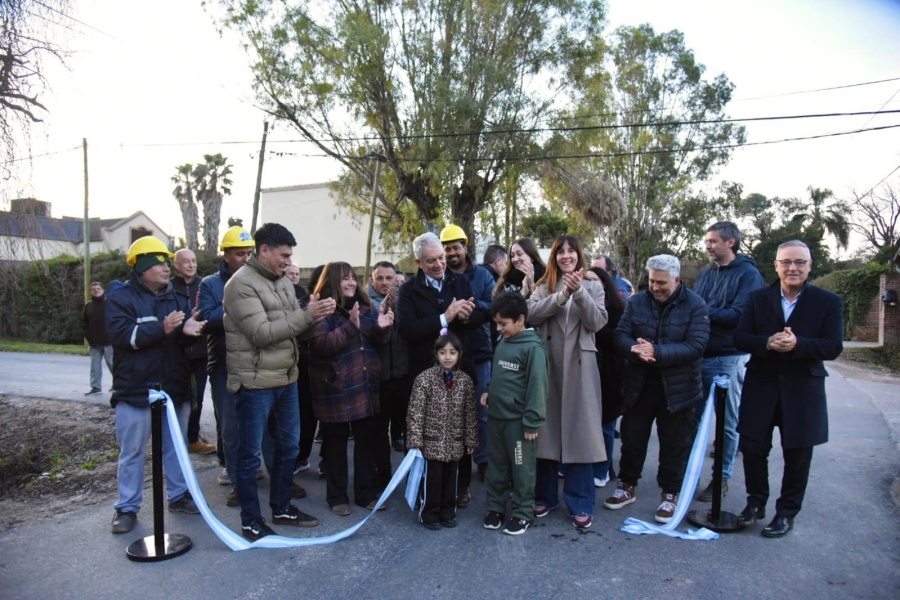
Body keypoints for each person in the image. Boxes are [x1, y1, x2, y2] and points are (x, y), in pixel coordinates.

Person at [223, 223, 334, 541]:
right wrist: (307, 316)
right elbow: (262, 334)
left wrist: (318, 317)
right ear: (264, 251)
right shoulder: (240, 285)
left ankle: (282, 508)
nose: (288, 261)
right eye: (284, 255)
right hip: (255, 383)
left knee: (289, 448)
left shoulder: (283, 282)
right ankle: (250, 520)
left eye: (290, 256)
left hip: (286, 379)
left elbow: (295, 330)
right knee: (248, 455)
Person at [734, 240, 843, 538]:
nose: (792, 267)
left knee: (797, 455)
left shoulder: (828, 302)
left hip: (803, 390)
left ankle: (786, 513)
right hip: (761, 385)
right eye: (786, 262)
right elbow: (741, 337)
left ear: (810, 266)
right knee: (753, 448)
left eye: (799, 262)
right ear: (776, 266)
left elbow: (833, 346)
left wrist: (799, 344)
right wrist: (767, 342)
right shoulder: (757, 299)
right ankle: (755, 504)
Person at [106, 236, 205, 534]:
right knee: (132, 451)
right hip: (135, 390)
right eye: (161, 262)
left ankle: (179, 495)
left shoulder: (176, 297)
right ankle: (126, 507)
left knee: (175, 447)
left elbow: (180, 336)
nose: (166, 267)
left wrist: (188, 332)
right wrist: (161, 328)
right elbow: (124, 337)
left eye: (167, 262)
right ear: (143, 265)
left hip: (173, 388)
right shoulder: (120, 298)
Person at [606, 254, 709, 524]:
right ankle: (627, 486)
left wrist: (657, 352)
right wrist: (636, 350)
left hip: (679, 389)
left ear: (677, 279)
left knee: (674, 444)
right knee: (632, 439)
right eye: (651, 281)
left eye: (661, 282)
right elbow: (620, 334)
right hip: (639, 385)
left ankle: (670, 494)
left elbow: (696, 345)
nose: (655, 287)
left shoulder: (695, 305)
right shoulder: (637, 301)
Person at [395, 231, 486, 508]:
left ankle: (460, 487)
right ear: (418, 263)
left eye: (441, 258)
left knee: (461, 429)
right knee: (427, 432)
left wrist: (468, 315)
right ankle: (425, 486)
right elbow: (407, 329)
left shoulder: (460, 281)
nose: (439, 264)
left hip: (460, 372)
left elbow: (479, 316)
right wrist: (443, 317)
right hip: (425, 373)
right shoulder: (408, 291)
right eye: (431, 260)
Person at [526, 234, 608, 529]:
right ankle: (545, 497)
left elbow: (598, 322)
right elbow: (530, 315)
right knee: (545, 432)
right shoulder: (542, 286)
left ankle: (581, 502)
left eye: (572, 251)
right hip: (547, 365)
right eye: (561, 252)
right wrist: (560, 296)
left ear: (579, 255)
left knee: (580, 434)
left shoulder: (594, 286)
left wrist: (580, 293)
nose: (566, 256)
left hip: (581, 367)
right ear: (554, 257)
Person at [308, 261, 393, 516]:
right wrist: (350, 326)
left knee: (366, 443)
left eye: (353, 278)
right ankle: (337, 497)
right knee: (335, 445)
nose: (351, 283)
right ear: (333, 281)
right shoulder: (321, 310)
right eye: (345, 278)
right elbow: (321, 345)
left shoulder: (366, 307)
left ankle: (366, 494)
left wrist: (382, 328)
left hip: (363, 387)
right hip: (333, 389)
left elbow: (377, 341)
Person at [692, 221, 764, 501]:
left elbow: (740, 315)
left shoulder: (748, 275)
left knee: (726, 423)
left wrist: (703, 312)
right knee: (693, 421)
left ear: (730, 242)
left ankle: (720, 481)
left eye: (712, 241)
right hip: (699, 357)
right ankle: (688, 477)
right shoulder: (706, 274)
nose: (708, 246)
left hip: (728, 359)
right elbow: (693, 305)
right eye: (707, 241)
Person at [481, 292, 548, 536]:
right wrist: (489, 391)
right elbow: (499, 375)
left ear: (520, 320)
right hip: (497, 419)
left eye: (503, 324)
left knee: (522, 468)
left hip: (519, 424)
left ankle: (522, 512)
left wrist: (532, 422)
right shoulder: (503, 342)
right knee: (496, 466)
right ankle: (495, 507)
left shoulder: (533, 349)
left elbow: (538, 387)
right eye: (496, 324)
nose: (499, 329)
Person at [199, 226, 254, 506]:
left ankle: (254, 473)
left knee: (258, 425)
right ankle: (236, 481)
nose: (245, 258)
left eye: (248, 253)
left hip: (257, 363)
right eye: (239, 253)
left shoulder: (262, 279)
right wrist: (242, 310)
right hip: (223, 365)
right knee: (230, 428)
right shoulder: (210, 284)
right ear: (226, 255)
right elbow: (206, 319)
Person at [440, 224, 494, 489]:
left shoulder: (483, 275)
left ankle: (483, 461)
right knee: (455, 412)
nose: (451, 253)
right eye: (447, 248)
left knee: (483, 410)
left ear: (465, 247)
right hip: (450, 354)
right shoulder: (441, 275)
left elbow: (493, 304)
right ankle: (455, 463)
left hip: (480, 350)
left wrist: (470, 308)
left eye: (455, 247)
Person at [406, 331, 477, 530]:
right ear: (436, 354)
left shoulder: (465, 382)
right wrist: (415, 440)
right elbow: (416, 412)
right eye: (443, 352)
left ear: (459, 355)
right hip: (431, 442)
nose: (448, 357)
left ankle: (448, 511)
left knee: (450, 481)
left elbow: (470, 413)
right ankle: (429, 513)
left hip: (454, 442)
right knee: (432, 481)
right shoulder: (424, 379)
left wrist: (470, 439)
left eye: (452, 353)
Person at [367, 261, 410, 490]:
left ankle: (411, 477)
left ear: (396, 279)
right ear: (372, 280)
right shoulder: (366, 303)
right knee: (379, 432)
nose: (385, 283)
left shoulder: (406, 302)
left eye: (389, 278)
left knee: (408, 429)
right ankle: (382, 478)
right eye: (380, 278)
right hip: (379, 378)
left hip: (403, 375)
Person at [587, 267, 628, 488]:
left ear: (604, 284)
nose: (589, 284)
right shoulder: (579, 304)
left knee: (605, 426)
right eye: (586, 280)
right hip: (587, 372)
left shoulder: (617, 310)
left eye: (594, 280)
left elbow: (617, 340)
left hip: (610, 376)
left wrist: (595, 321)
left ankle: (602, 469)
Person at [171, 248, 214, 455]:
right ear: (176, 265)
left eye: (194, 261)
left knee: (197, 397)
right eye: (186, 261)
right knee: (176, 397)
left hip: (200, 352)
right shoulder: (168, 287)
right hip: (176, 353)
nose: (191, 265)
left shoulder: (203, 285)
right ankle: (174, 438)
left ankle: (192, 439)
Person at [83, 281, 112, 396]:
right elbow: (85, 323)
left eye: (98, 289)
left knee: (113, 364)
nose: (96, 291)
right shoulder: (88, 306)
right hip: (94, 342)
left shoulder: (110, 303)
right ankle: (95, 387)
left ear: (103, 290)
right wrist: (87, 335)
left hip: (109, 341)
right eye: (94, 289)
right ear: (91, 292)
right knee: (95, 366)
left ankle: (119, 385)